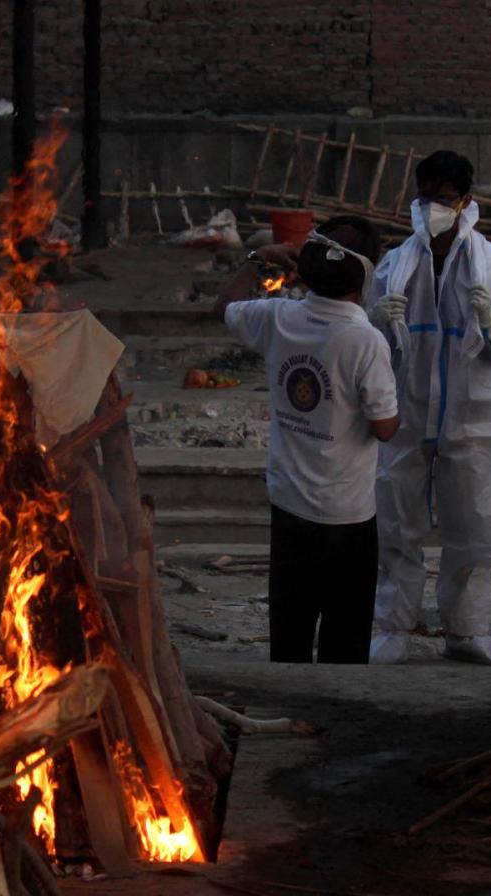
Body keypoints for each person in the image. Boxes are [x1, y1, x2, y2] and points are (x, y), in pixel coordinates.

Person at [367, 150, 491, 667]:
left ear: (465, 202)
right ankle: (394, 626)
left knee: (476, 527)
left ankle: (467, 631)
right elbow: (369, 344)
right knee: (396, 523)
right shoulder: (397, 262)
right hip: (409, 410)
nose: (431, 208)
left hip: (474, 417)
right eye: (425, 197)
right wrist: (377, 316)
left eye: (442, 199)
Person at [213, 217, 400, 664]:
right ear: (366, 275)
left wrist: (259, 258)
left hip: (290, 504)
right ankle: (337, 722)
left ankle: (288, 717)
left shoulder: (279, 317)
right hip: (347, 514)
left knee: (291, 629)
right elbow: (385, 427)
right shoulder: (364, 340)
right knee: (345, 636)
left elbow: (225, 305)